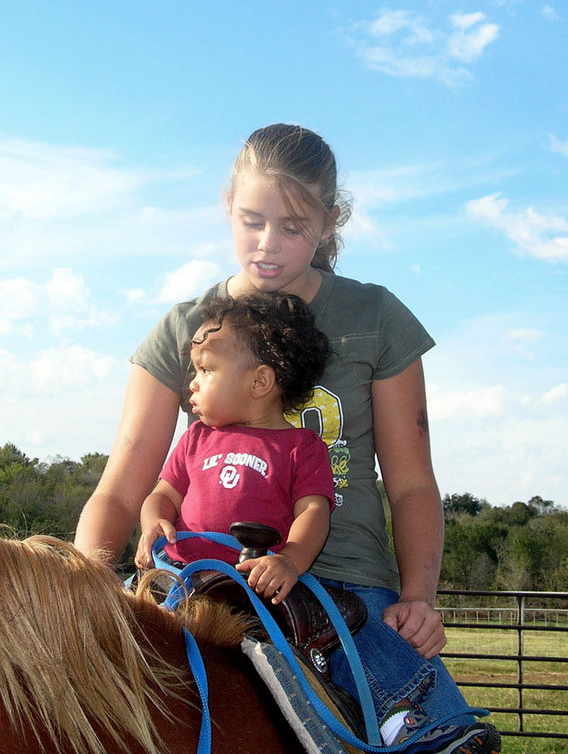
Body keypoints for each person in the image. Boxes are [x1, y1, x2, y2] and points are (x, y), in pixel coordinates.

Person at [75, 124, 501, 753]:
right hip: (199, 574)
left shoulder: (374, 318)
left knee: (442, 739)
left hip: (345, 583)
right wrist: (86, 587)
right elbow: (123, 486)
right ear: (228, 208)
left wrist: (418, 598)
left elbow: (411, 484)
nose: (268, 244)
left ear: (331, 222)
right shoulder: (182, 331)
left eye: (293, 227)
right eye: (252, 221)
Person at [134, 291, 334, 605]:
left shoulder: (302, 448)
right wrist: (154, 521)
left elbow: (313, 512)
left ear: (259, 382)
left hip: (248, 586)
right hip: (177, 573)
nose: (193, 383)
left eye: (206, 370)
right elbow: (162, 495)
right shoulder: (196, 438)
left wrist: (290, 561)